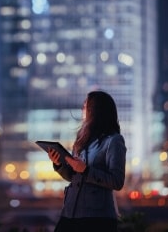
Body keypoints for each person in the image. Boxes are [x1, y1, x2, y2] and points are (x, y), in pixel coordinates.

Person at [47, 90, 126, 232]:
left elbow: (117, 181)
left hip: (97, 217)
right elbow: (72, 176)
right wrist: (59, 164)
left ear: (96, 111)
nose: (82, 110)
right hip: (70, 212)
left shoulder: (113, 141)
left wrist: (86, 170)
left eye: (85, 106)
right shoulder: (82, 140)